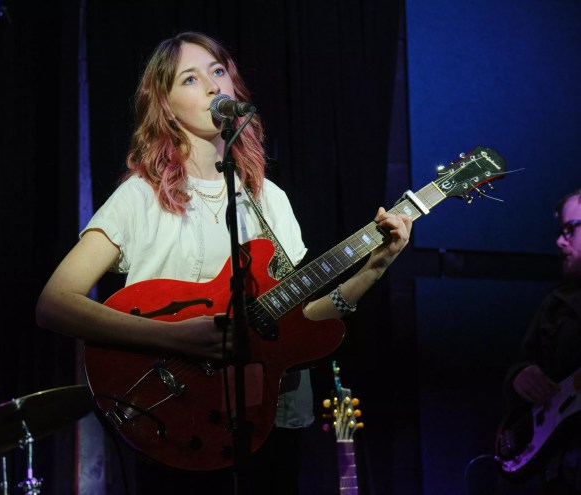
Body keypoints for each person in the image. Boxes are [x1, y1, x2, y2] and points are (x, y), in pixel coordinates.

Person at [36, 31, 412, 494]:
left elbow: (301, 320)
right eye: (190, 79)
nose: (213, 85)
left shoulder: (269, 199)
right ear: (167, 107)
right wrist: (175, 336)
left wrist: (375, 266)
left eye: (218, 71)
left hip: (263, 419)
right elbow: (54, 303)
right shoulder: (139, 198)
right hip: (176, 415)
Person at [503, 188, 581, 494]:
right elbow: (523, 361)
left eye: (569, 229)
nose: (560, 241)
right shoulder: (557, 302)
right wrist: (520, 376)